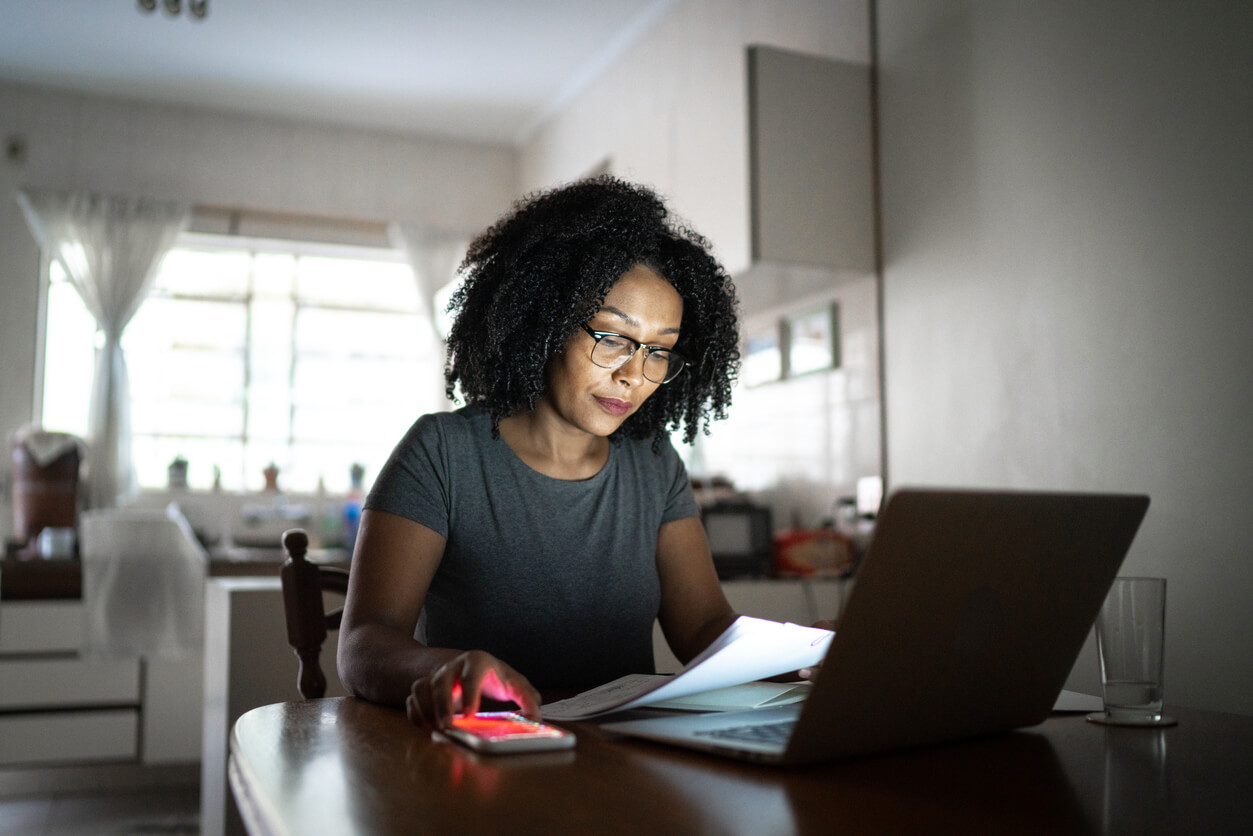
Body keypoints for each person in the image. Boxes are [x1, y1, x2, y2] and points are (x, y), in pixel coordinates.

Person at [337, 176, 771, 731]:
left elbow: (704, 626)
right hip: (487, 752)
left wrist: (796, 655)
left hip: (624, 763)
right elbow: (364, 644)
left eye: (659, 351)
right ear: (545, 322)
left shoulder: (656, 464)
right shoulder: (442, 453)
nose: (634, 374)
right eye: (612, 337)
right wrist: (441, 666)